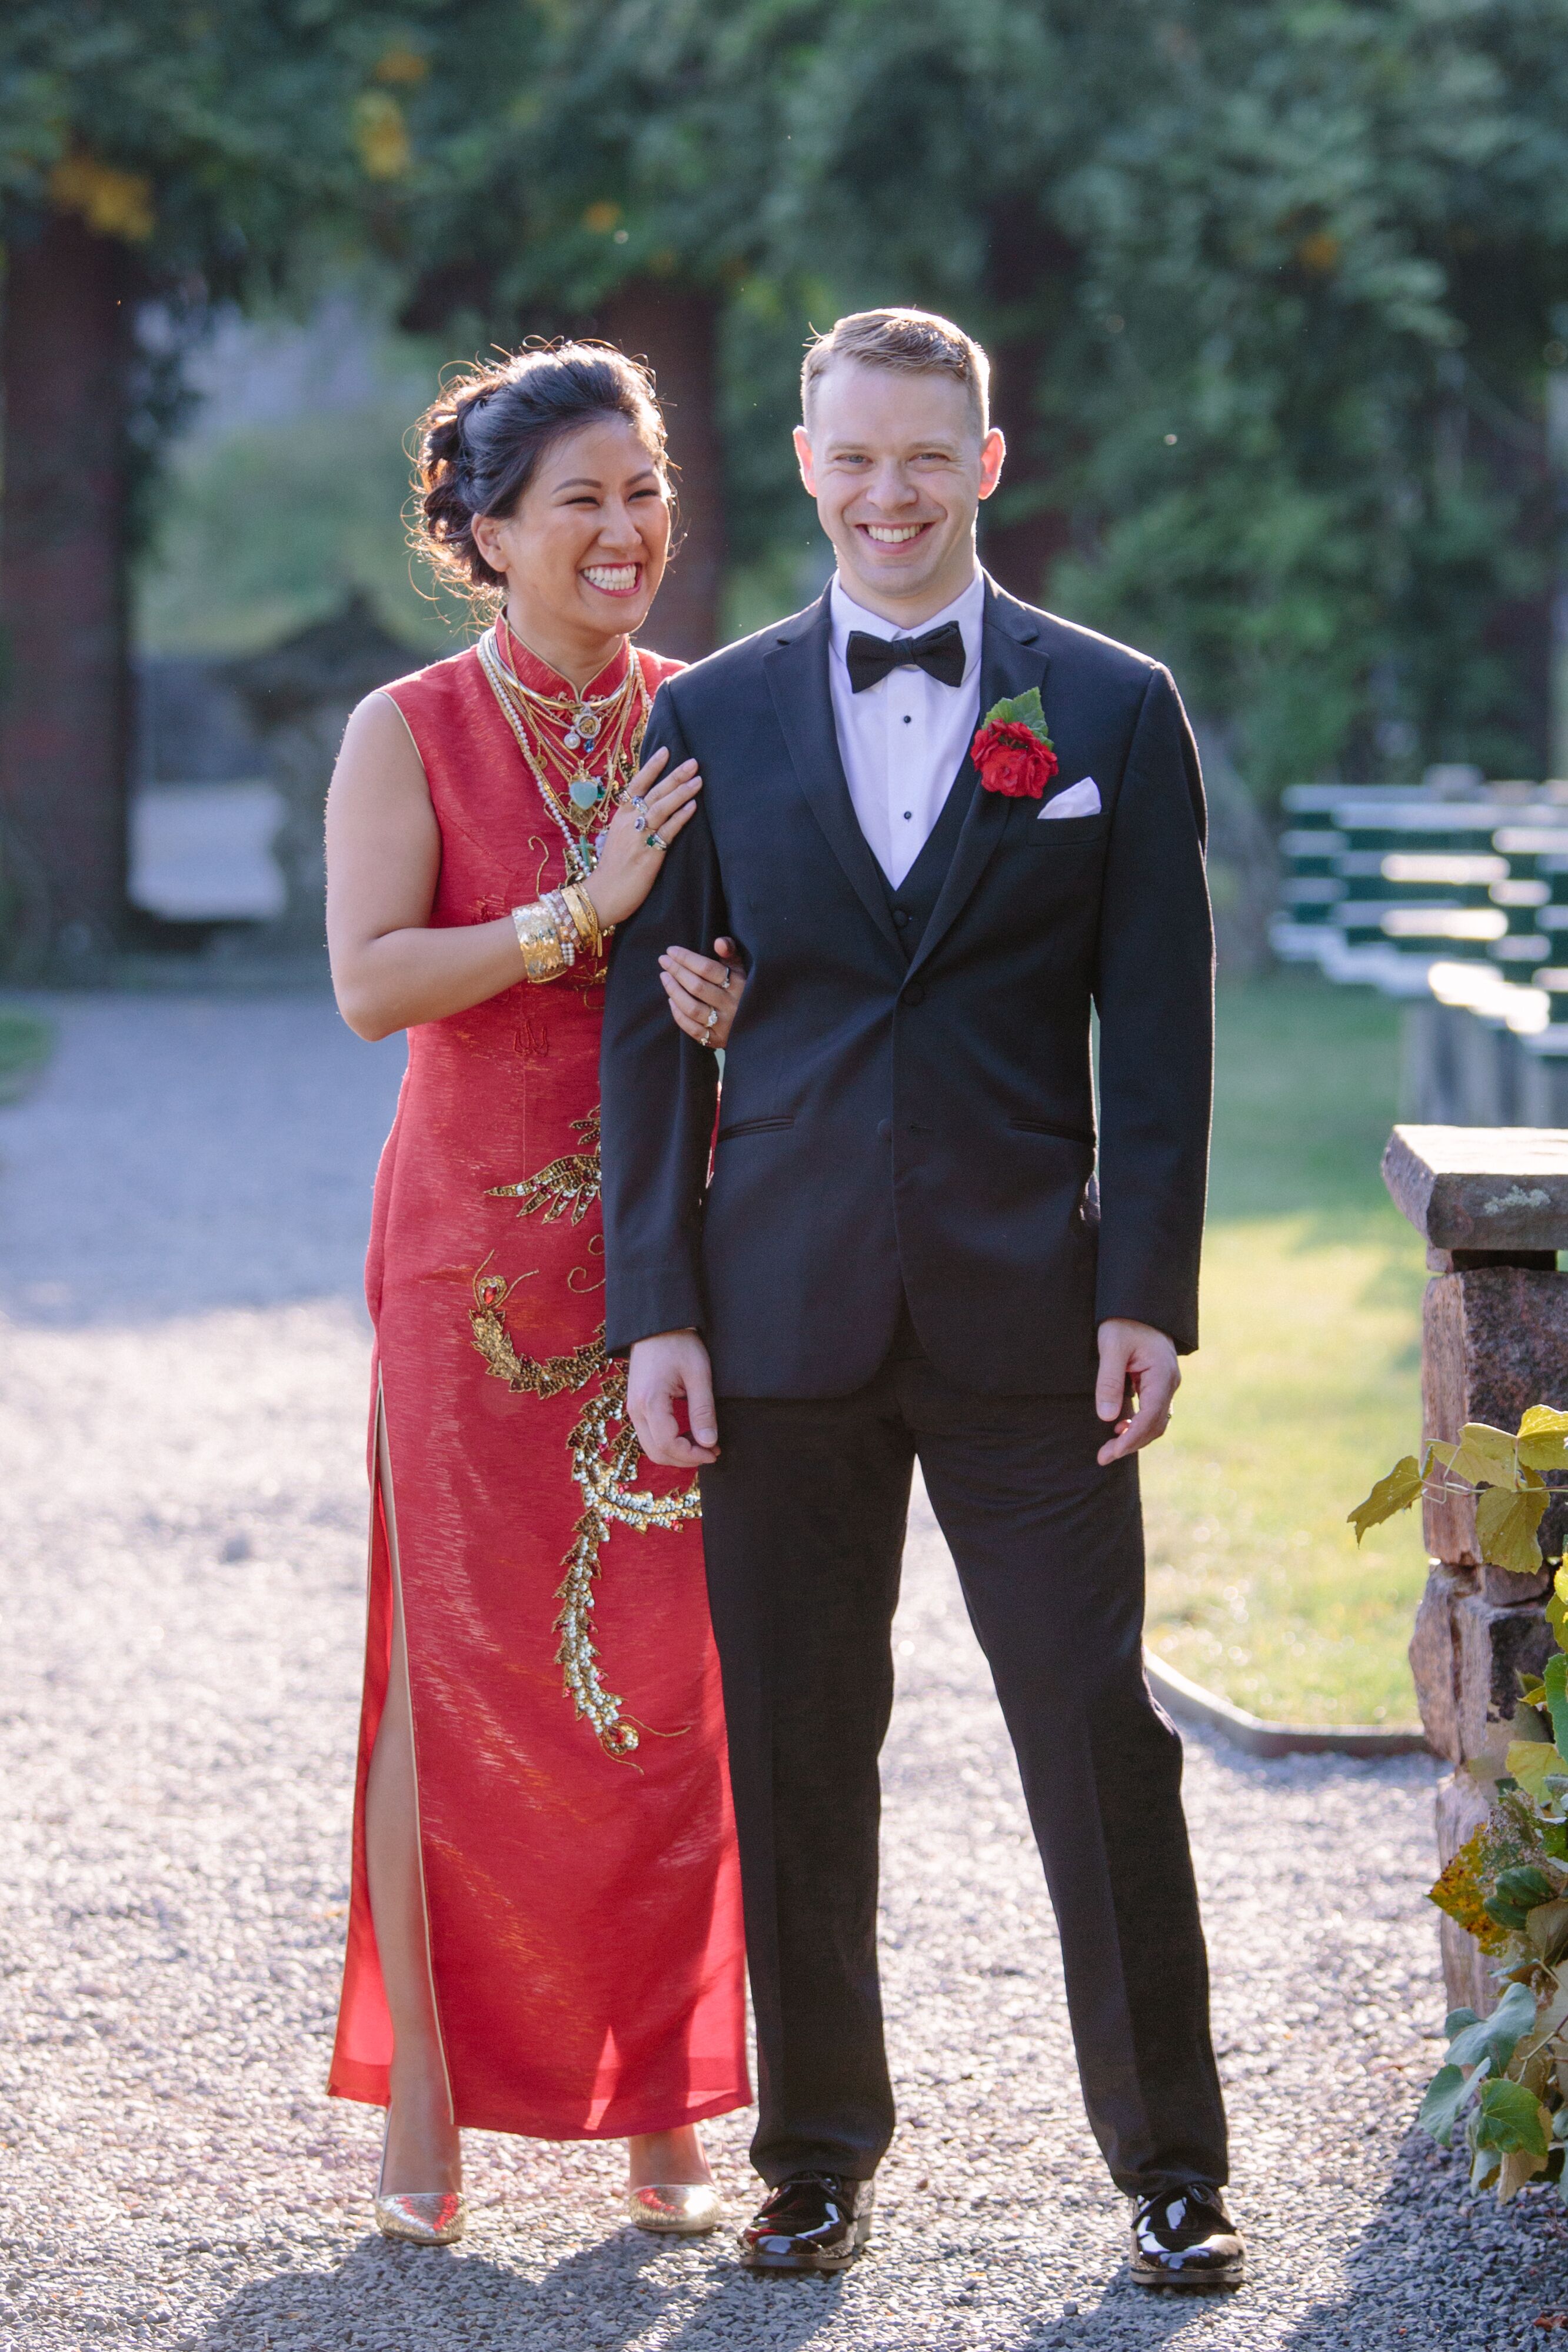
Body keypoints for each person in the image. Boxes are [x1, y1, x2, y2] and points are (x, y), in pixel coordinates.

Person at [600, 308, 1244, 2291]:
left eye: (924, 457)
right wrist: (659, 1314)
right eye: (852, 458)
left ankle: (1170, 2163)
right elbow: (653, 1023)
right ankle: (809, 2156)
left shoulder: (1110, 709)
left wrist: (1143, 1285)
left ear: (985, 459)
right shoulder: (707, 711)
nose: (887, 494)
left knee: (1091, 1729)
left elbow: (1162, 1025)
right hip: (772, 1315)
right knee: (798, 1739)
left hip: (1029, 1316)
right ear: (805, 467)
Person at [322, 343, 753, 2248]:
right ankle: (429, 2097)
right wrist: (576, 912)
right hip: (469, 1264)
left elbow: (769, 969)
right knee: (458, 1662)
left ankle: (664, 2096)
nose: (622, 528)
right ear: (487, 533)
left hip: (670, 1256)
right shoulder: (402, 729)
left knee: (672, 1670)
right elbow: (370, 983)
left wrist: (736, 1006)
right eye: (578, 498)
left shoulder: (710, 718)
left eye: (643, 488)